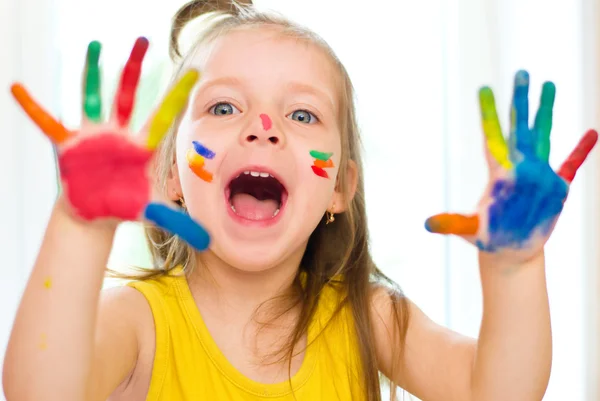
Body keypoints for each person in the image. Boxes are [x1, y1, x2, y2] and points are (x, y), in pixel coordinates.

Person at [3, 1, 597, 400]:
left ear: (339, 187)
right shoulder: (137, 321)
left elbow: (497, 391)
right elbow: (37, 391)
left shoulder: (371, 317)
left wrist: (516, 267)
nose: (264, 127)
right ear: (172, 177)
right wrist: (79, 229)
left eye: (303, 113)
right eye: (224, 107)